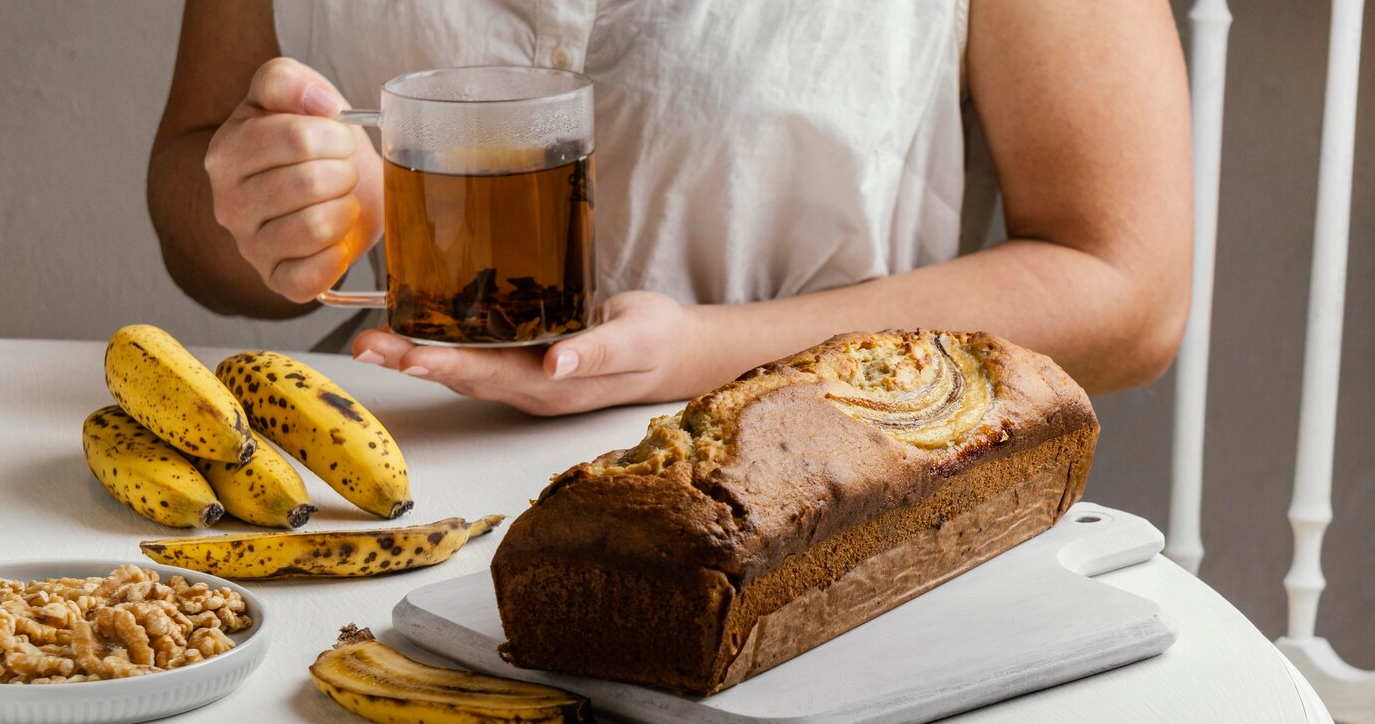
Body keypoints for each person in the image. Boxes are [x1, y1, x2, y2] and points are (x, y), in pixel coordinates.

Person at [148, 0, 1191, 416]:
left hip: (826, 482)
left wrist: (704, 352)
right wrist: (293, 214)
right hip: (390, 468)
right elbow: (191, 195)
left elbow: (1127, 288)